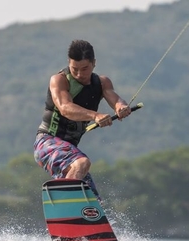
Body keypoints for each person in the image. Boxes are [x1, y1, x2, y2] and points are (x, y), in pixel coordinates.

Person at [34, 40, 131, 198]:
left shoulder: (102, 82)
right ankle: (64, 205)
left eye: (85, 68)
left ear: (94, 63)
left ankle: (78, 218)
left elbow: (116, 100)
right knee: (82, 163)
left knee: (92, 202)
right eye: (75, 69)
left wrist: (121, 107)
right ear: (69, 64)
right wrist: (95, 115)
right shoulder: (59, 80)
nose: (79, 74)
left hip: (70, 151)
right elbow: (65, 108)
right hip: (47, 142)